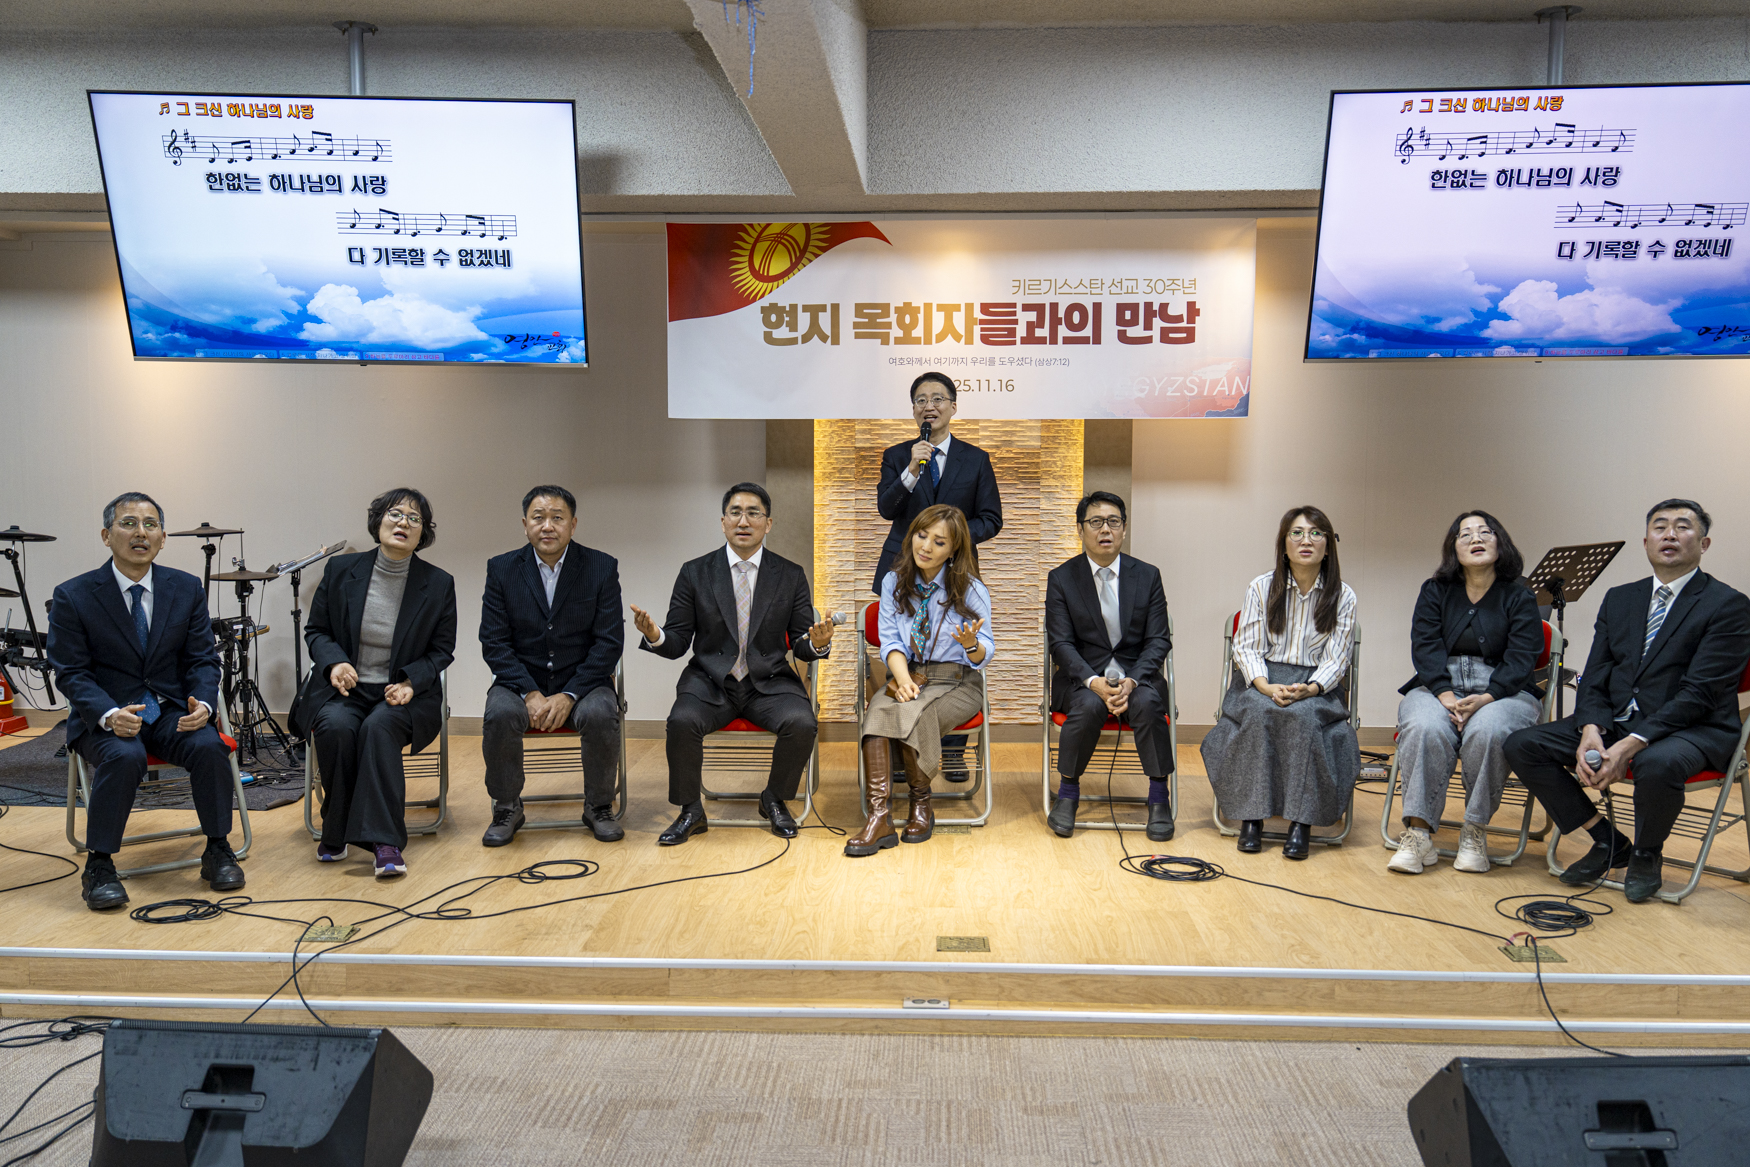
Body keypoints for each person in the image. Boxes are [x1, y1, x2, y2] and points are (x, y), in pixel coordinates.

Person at [1504, 499, 1750, 903]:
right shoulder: (1620, 598)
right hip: (1619, 721)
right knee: (1522, 744)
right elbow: (1596, 674)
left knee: (1657, 762)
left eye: (1683, 527)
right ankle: (1607, 841)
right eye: (1660, 526)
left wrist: (1630, 744)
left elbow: (1700, 694)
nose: (1670, 534)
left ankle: (1647, 853)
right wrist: (1590, 729)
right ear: (1646, 541)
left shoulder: (1728, 605)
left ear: (1704, 544)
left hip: (1694, 728)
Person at [47, 492, 241, 910]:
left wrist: (204, 706)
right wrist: (109, 714)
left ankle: (217, 848)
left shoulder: (185, 588)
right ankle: (99, 864)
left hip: (170, 711)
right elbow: (71, 672)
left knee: (209, 746)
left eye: (150, 525)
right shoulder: (74, 595)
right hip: (107, 717)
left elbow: (203, 659)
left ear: (163, 538)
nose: (141, 533)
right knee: (124, 755)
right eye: (129, 523)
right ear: (106, 535)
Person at [632, 483, 834, 845]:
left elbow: (801, 644)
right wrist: (655, 634)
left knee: (802, 722)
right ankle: (691, 810)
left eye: (754, 513)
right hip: (710, 683)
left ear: (768, 523)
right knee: (681, 722)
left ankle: (774, 799)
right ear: (723, 521)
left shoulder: (790, 574)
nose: (744, 521)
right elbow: (678, 642)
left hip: (769, 682)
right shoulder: (695, 572)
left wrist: (817, 643)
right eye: (735, 513)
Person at [291, 488, 457, 878]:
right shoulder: (340, 570)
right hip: (345, 689)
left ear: (423, 533)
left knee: (378, 728)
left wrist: (411, 682)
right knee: (335, 727)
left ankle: (384, 842)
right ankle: (336, 826)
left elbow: (442, 650)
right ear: (378, 521)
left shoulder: (438, 583)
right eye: (395, 514)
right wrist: (335, 663)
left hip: (403, 694)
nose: (403, 523)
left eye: (414, 519)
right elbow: (317, 631)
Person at [1388, 511, 1544, 875]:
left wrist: (1488, 697)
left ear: (1500, 542)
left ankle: (1474, 831)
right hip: (1439, 685)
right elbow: (1425, 646)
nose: (1476, 538)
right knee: (1424, 727)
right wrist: (1444, 694)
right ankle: (1418, 834)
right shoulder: (1435, 590)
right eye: (1465, 534)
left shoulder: (1520, 594)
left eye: (1485, 532)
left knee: (1489, 730)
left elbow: (1523, 657)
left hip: (1504, 690)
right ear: (1453, 549)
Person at [1202, 505, 1359, 860]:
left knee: (1304, 718)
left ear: (1328, 546)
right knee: (1259, 714)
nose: (1306, 540)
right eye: (1297, 533)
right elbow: (1246, 647)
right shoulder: (1261, 587)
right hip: (1262, 679)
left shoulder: (1343, 595)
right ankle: (1251, 818)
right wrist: (1265, 686)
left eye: (1316, 533)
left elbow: (1337, 658)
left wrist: (1311, 688)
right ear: (1284, 544)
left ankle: (1301, 823)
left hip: (1316, 684)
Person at [478, 486, 625, 847]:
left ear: (572, 524)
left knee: (601, 713)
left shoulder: (601, 567)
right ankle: (507, 807)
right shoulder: (501, 569)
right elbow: (494, 642)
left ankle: (599, 806)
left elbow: (609, 642)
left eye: (557, 518)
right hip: (519, 681)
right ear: (524, 524)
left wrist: (570, 694)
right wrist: (529, 692)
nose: (548, 526)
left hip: (583, 681)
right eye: (538, 517)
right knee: (500, 714)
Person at [874, 372, 1002, 781]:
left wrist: (953, 537)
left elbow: (992, 518)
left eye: (938, 399)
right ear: (913, 410)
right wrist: (911, 469)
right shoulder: (898, 455)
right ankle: (901, 753)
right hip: (902, 569)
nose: (929, 406)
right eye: (921, 400)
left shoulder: (975, 458)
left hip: (956, 569)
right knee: (904, 647)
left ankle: (952, 752)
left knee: (952, 657)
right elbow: (886, 508)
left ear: (953, 406)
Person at [848, 504, 995, 857]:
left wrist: (971, 645)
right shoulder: (892, 582)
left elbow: (985, 652)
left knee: (917, 712)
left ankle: (921, 805)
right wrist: (902, 681)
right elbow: (890, 642)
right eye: (921, 535)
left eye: (939, 542)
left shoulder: (971, 588)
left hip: (958, 682)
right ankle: (879, 817)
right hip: (909, 673)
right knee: (878, 712)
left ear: (954, 549)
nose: (926, 546)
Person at [1044, 491, 1174, 841]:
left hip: (1137, 676)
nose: (1106, 529)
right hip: (1083, 679)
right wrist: (1093, 681)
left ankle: (1159, 798)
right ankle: (1068, 794)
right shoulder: (1062, 578)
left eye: (1114, 522)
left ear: (1124, 529)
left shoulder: (1147, 575)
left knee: (1147, 703)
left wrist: (1132, 681)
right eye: (1096, 522)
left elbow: (1158, 640)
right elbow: (1061, 644)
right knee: (1088, 706)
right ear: (1080, 529)